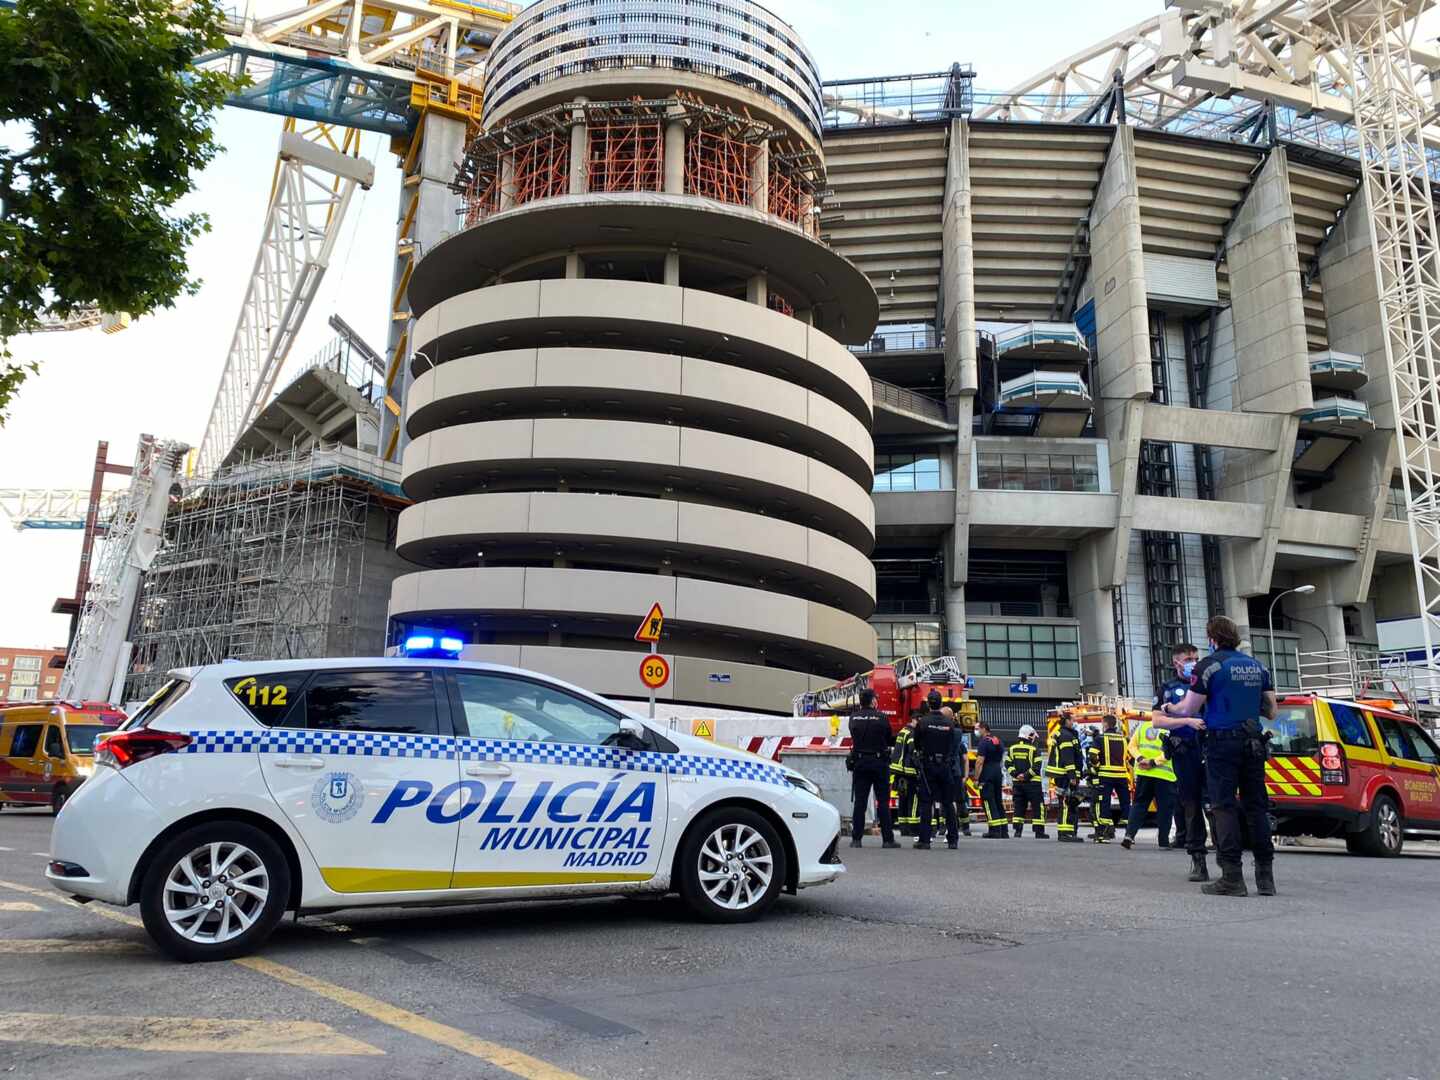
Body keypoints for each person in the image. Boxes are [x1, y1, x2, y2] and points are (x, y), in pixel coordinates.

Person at [1154, 615, 1277, 897]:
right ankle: (1265, 877)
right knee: (1257, 808)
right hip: (1254, 743)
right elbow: (1271, 711)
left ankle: (1232, 877)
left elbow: (1188, 708)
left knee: (1223, 807)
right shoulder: (1258, 666)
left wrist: (1171, 709)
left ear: (1212, 639)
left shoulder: (1209, 667)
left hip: (1223, 744)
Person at [1155, 642, 1200, 857]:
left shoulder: (1204, 683)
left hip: (1209, 747)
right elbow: (1157, 721)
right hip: (1182, 748)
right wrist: (1186, 722)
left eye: (1196, 659)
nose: (1194, 663)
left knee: (1211, 799)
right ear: (1177, 662)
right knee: (1186, 798)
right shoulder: (1167, 688)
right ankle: (1188, 839)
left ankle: (1218, 840)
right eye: (1189, 660)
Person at [847, 688, 900, 849]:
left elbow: (853, 735)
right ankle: (887, 840)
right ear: (873, 701)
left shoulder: (854, 717)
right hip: (879, 763)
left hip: (861, 763)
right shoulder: (882, 717)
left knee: (860, 803)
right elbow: (888, 737)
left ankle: (856, 839)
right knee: (883, 802)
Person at [1121, 712, 1175, 850]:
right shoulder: (1171, 728)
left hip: (1144, 773)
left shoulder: (1143, 727)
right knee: (1164, 809)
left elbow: (1131, 747)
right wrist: (1153, 762)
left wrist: (1140, 759)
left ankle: (1129, 835)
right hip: (1165, 775)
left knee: (1139, 805)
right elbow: (1170, 752)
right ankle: (1163, 841)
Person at [912, 700, 960, 849]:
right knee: (948, 803)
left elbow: (917, 743)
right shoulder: (949, 723)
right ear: (940, 704)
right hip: (945, 766)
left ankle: (925, 840)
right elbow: (952, 744)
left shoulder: (923, 722)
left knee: (926, 803)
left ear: (928, 705)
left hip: (928, 765)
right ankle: (953, 840)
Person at [1087, 715, 1131, 843]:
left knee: (1104, 803)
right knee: (1125, 804)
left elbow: (1092, 755)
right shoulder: (1124, 738)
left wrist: (1097, 767)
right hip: (1122, 775)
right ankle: (1130, 834)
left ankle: (1104, 834)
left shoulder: (1100, 738)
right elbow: (1130, 756)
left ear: (1105, 724)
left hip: (1106, 776)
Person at [1047, 711, 1084, 842]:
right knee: (1066, 803)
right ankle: (1065, 833)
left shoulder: (1064, 734)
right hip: (1065, 775)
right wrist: (1072, 776)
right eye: (1072, 720)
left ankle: (1069, 831)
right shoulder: (1066, 736)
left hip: (1063, 774)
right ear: (1067, 721)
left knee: (1069, 803)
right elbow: (1068, 757)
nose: (1074, 723)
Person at [1006, 724, 1047, 837]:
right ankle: (1039, 832)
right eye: (1033, 735)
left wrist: (1016, 775)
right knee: (1038, 807)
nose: (1034, 738)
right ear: (1028, 735)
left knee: (1019, 806)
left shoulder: (1012, 748)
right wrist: (1026, 776)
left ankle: (1018, 831)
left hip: (1018, 784)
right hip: (1033, 784)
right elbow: (1037, 765)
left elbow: (1008, 764)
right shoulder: (1034, 749)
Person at [971, 719, 1007, 837]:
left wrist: (976, 779)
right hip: (997, 773)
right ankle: (1003, 831)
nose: (976, 731)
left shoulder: (983, 742)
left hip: (987, 775)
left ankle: (994, 830)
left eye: (977, 729)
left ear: (983, 729)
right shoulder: (997, 740)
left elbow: (979, 762)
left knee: (988, 801)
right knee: (997, 802)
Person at [943, 706, 974, 837]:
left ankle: (964, 826)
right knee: (951, 801)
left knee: (958, 801)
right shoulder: (957, 733)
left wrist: (965, 776)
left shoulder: (955, 736)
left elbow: (965, 759)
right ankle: (950, 826)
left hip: (953, 773)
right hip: (953, 772)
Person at [890, 714, 921, 835]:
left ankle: (903, 827)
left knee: (902, 799)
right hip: (909, 772)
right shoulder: (912, 733)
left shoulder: (903, 731)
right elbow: (913, 751)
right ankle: (913, 827)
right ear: (913, 720)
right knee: (913, 800)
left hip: (899, 772)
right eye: (919, 721)